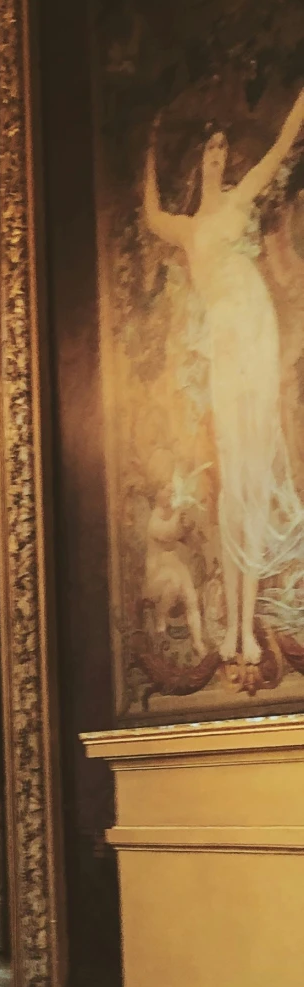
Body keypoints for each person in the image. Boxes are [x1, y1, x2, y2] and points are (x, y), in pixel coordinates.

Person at [143, 86, 304, 667]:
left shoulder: (241, 199)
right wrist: (151, 149)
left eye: (221, 148)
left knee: (254, 469)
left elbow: (285, 141)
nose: (216, 155)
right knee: (234, 472)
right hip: (223, 339)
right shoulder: (188, 228)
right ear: (197, 160)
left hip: (251, 323)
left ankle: (249, 623)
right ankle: (237, 630)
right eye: (208, 148)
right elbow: (150, 214)